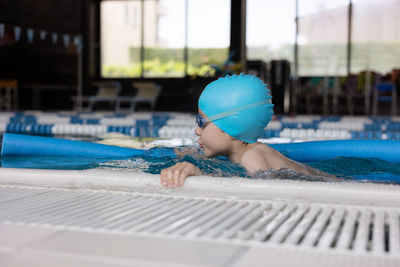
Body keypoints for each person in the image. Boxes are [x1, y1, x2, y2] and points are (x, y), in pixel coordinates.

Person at [160, 73, 318, 187]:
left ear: (231, 126)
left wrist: (200, 174)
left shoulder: (252, 156)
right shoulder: (245, 152)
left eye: (201, 121)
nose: (196, 130)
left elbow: (254, 191)